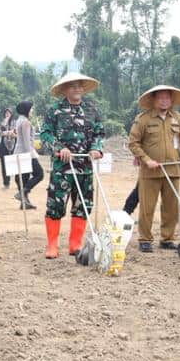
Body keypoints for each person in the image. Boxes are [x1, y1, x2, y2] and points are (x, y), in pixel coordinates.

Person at [38, 73, 105, 259]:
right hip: (63, 168)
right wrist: (59, 148)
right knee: (55, 205)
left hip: (85, 166)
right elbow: (45, 134)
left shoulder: (92, 110)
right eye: (72, 86)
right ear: (65, 90)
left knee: (83, 205)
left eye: (79, 86)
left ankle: (75, 244)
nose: (77, 89)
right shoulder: (55, 111)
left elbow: (99, 134)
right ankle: (52, 245)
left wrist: (96, 149)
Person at [127, 85, 180, 252]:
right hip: (150, 171)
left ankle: (167, 238)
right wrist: (146, 159)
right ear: (154, 100)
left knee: (171, 207)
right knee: (147, 207)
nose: (165, 100)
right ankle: (145, 239)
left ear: (171, 100)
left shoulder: (177, 118)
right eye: (161, 97)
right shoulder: (143, 119)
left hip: (173, 169)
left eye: (167, 97)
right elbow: (133, 143)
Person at [12, 100, 44, 209]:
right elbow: (27, 142)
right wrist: (31, 156)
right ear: (26, 109)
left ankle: (24, 203)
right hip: (26, 152)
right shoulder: (25, 122)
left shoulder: (19, 120)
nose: (32, 111)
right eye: (31, 109)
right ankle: (23, 192)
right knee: (40, 174)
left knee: (23, 178)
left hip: (18, 152)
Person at [0, 108, 16, 188]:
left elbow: (16, 132)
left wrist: (10, 133)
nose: (7, 114)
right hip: (4, 144)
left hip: (13, 144)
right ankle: (6, 183)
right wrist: (5, 124)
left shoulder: (15, 122)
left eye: (9, 113)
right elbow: (1, 132)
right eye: (6, 113)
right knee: (4, 164)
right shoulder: (2, 122)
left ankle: (19, 182)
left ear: (12, 114)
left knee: (13, 164)